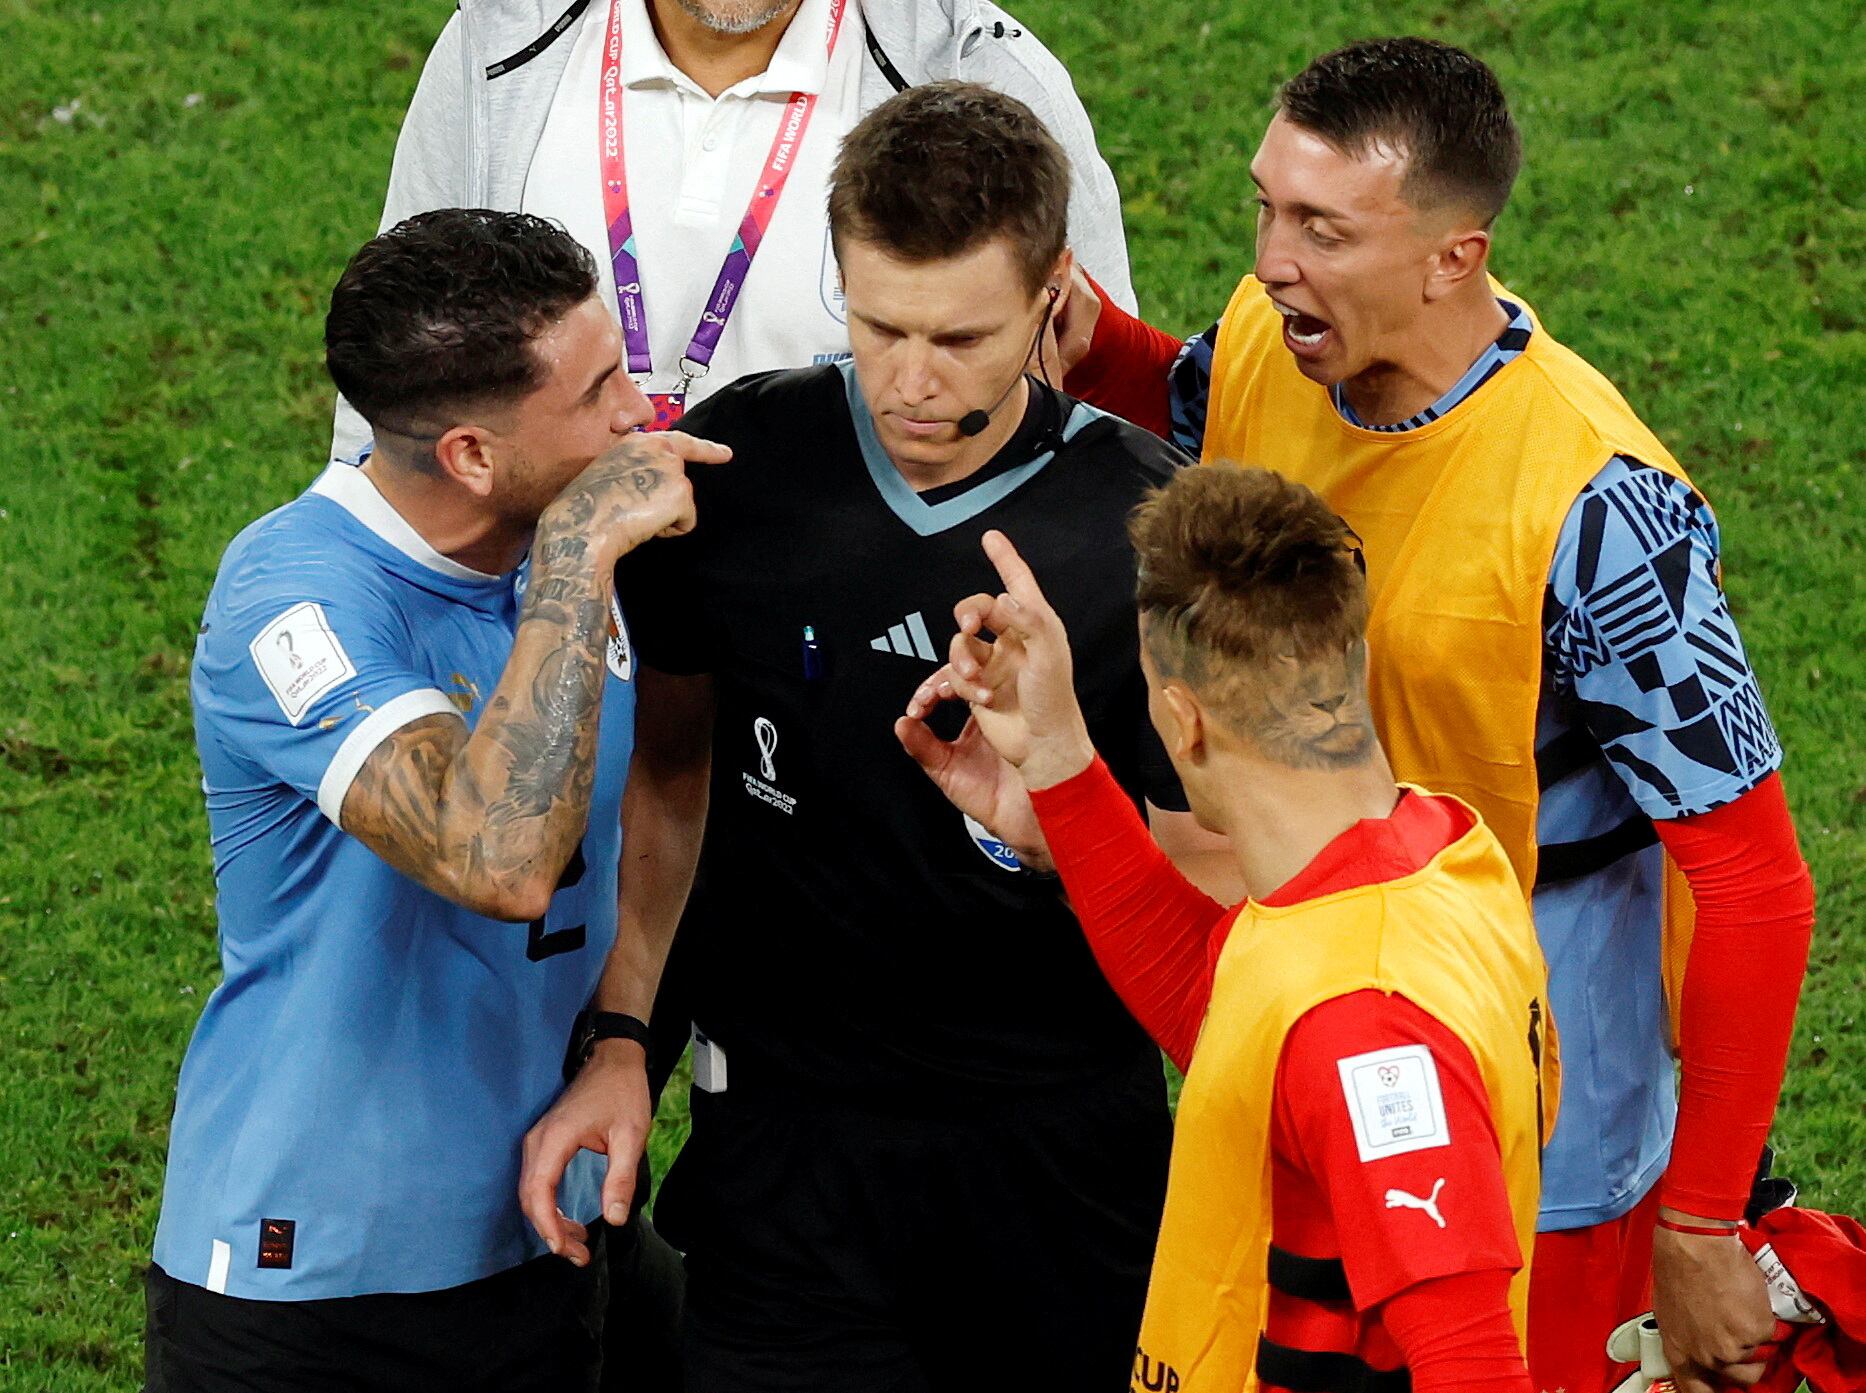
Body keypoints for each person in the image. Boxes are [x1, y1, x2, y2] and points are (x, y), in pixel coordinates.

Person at [1054, 37, 1817, 1393]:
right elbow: (1205, 398)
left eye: (1322, 230)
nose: (1272, 260)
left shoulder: (1602, 517)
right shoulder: (1272, 340)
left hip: (1529, 1098)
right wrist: (1090, 344)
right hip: (1298, 1013)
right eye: (1266, 208)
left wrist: (1701, 1219)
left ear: (1452, 257)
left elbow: (1754, 882)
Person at [518, 81, 1225, 1392]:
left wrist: (1061, 810)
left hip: (1059, 1166)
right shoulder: (738, 469)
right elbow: (672, 774)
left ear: (1054, 296)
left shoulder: (1156, 537)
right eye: (879, 324)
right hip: (785, 1160)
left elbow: (1233, 890)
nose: (911, 378)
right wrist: (621, 1037)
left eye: (961, 337)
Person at [146, 208, 728, 1392]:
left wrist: (622, 1039)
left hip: (552, 1224)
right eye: (597, 394)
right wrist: (578, 556)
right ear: (470, 455)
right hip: (320, 1289)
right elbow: (497, 859)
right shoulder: (294, 603)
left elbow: (671, 770)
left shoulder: (563, 538)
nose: (639, 412)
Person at [897, 468, 1559, 1391]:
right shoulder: (1443, 853)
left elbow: (1473, 1366)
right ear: (1353, 660)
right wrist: (1059, 765)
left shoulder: (1366, 1021)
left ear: (1183, 721)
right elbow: (1237, 1027)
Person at [331, 0, 1136, 462]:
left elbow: (1098, 415)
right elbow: (400, 368)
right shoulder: (496, 49)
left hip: (845, 644)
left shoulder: (982, 75)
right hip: (541, 618)